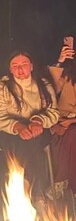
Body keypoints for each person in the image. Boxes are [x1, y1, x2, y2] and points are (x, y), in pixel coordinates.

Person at [0, 51, 58, 201]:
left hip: (38, 128)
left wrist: (38, 121)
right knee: (21, 143)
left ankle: (28, 190)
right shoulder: (2, 86)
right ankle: (34, 192)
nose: (20, 69)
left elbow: (53, 112)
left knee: (33, 142)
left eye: (24, 65)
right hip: (6, 131)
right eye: (15, 66)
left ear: (31, 66)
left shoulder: (43, 84)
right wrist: (18, 127)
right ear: (10, 69)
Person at [48, 41, 76, 193]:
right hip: (62, 120)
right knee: (66, 133)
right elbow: (52, 88)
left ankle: (63, 181)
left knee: (72, 133)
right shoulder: (68, 75)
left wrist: (70, 121)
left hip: (70, 124)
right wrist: (60, 62)